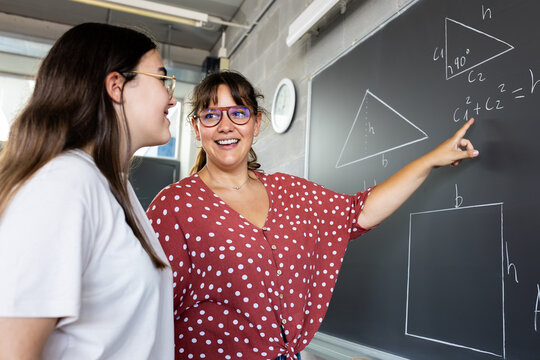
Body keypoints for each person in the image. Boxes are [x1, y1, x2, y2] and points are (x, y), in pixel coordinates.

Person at [146, 71, 479, 360]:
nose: (226, 126)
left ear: (257, 122)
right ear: (195, 127)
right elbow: (149, 309)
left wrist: (430, 160)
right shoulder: (175, 206)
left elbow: (358, 211)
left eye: (239, 113)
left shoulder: (290, 193)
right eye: (211, 116)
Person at [0, 23, 177, 359]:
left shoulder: (111, 185)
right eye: (162, 78)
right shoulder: (64, 185)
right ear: (117, 85)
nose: (172, 97)